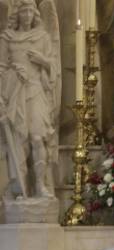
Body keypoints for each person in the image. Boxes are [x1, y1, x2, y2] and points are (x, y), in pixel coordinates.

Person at [0, 0, 59, 199]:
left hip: (35, 90)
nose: (26, 16)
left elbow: (53, 66)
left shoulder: (42, 37)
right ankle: (20, 187)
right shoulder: (7, 38)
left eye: (29, 12)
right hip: (15, 92)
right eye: (22, 11)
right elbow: (1, 68)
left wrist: (42, 61)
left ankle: (41, 185)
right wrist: (13, 76)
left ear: (35, 14)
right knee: (19, 140)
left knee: (37, 137)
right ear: (16, 14)